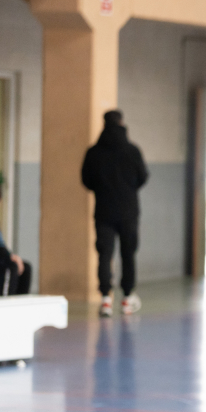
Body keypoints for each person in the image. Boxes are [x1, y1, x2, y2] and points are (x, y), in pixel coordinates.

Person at [82, 110, 148, 317]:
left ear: (104, 124)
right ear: (121, 123)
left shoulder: (93, 152)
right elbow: (143, 176)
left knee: (104, 254)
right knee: (128, 254)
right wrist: (128, 188)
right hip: (129, 211)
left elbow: (86, 180)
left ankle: (105, 300)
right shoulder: (132, 150)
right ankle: (127, 298)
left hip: (104, 211)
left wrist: (103, 189)